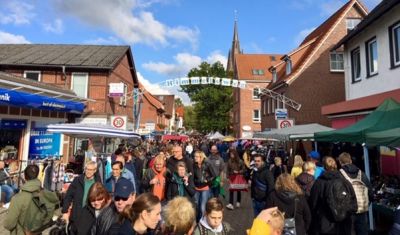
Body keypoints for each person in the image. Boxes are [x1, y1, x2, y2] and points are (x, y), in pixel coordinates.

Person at [4, 164, 59, 235]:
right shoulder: (46, 194)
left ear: (25, 176)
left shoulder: (17, 198)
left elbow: (9, 224)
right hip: (37, 232)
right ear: (37, 175)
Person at [309, 156, 356, 235]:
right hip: (344, 222)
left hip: (326, 223)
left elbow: (313, 203)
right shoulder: (344, 181)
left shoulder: (319, 182)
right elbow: (353, 201)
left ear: (323, 167)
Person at [62, 161, 101, 234]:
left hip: (89, 216)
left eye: (90, 170)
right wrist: (65, 211)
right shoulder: (78, 180)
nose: (88, 171)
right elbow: (68, 196)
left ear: (95, 170)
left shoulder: (98, 182)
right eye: (87, 169)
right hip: (76, 214)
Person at [338, 152, 372, 235]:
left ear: (340, 162)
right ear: (351, 161)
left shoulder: (339, 175)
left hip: (347, 211)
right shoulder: (362, 174)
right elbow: (370, 191)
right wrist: (367, 203)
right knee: (362, 231)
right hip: (362, 209)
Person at [193, 151, 216, 221]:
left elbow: (214, 175)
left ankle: (202, 222)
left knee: (202, 207)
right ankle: (197, 221)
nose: (195, 158)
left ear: (201, 157)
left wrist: (207, 180)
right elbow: (191, 175)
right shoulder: (193, 165)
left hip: (205, 188)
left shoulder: (207, 164)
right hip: (196, 188)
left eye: (196, 157)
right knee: (196, 206)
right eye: (194, 156)